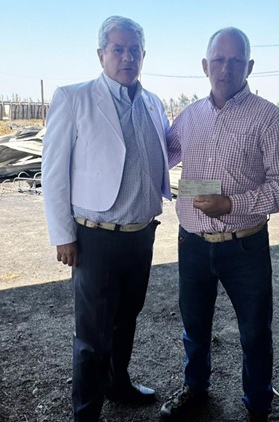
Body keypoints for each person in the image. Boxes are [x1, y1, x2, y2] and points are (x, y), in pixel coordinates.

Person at [160, 28, 279, 422]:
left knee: (255, 332)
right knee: (194, 326)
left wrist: (231, 203)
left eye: (236, 60)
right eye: (219, 60)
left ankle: (257, 405)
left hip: (244, 246)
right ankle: (195, 389)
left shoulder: (268, 117)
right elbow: (162, 157)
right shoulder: (190, 117)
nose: (226, 68)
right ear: (205, 65)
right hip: (191, 243)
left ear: (249, 66)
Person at [41, 16, 174, 422]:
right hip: (95, 238)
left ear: (144, 55)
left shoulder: (153, 103)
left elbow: (166, 153)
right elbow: (54, 172)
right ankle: (86, 413)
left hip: (141, 234)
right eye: (118, 49)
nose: (127, 57)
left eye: (134, 50)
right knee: (92, 335)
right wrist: (63, 235)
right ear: (101, 54)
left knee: (126, 319)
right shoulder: (74, 98)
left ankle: (118, 384)